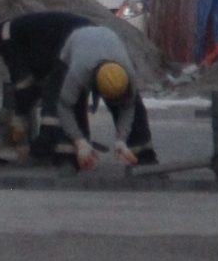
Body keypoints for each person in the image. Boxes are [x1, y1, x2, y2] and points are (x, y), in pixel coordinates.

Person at [0, 10, 95, 157]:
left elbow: (24, 85)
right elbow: (33, 82)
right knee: (74, 96)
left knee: (53, 97)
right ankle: (82, 147)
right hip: (90, 38)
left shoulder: (7, 40)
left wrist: (19, 116)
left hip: (75, 42)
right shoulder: (18, 31)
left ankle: (45, 147)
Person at [43, 22, 155, 171]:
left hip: (107, 37)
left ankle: (143, 154)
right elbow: (65, 108)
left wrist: (121, 139)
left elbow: (128, 107)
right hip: (76, 42)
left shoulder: (129, 74)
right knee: (70, 101)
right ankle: (68, 156)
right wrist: (79, 141)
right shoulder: (78, 72)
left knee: (136, 105)